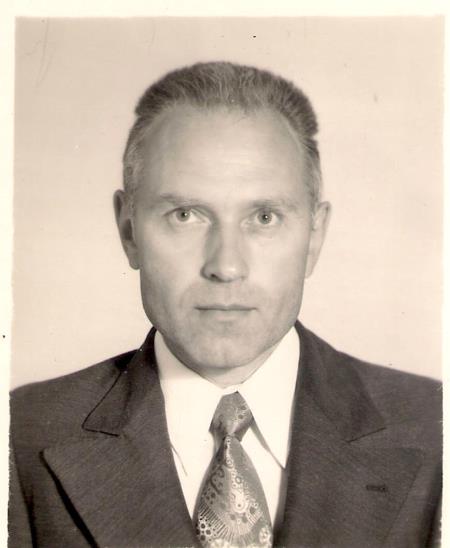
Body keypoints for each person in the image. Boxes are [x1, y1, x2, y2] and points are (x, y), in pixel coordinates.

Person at [9, 62, 441, 548]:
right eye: (185, 215)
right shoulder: (20, 436)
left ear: (314, 237)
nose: (226, 266)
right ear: (129, 230)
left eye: (264, 217)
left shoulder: (434, 428)